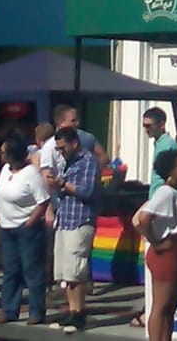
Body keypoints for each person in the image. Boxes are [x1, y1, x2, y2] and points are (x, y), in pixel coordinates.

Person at [135, 150, 177, 341]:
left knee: (170, 306)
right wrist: (157, 243)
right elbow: (143, 219)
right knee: (161, 306)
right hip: (165, 254)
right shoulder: (165, 192)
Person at [0, 134, 49, 326]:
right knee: (10, 271)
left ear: (12, 154)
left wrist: (31, 222)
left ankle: (37, 311)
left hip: (27, 229)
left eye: (3, 152)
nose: (0, 155)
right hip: (6, 228)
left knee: (31, 270)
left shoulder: (31, 174)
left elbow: (43, 201)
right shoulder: (4, 170)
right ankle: (9, 310)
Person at [51, 127, 99, 332]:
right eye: (58, 149)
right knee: (65, 271)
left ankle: (79, 313)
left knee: (76, 269)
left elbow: (87, 191)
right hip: (65, 219)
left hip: (80, 220)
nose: (61, 152)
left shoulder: (88, 161)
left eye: (63, 148)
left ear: (74, 143)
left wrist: (63, 184)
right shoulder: (67, 162)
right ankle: (71, 311)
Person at [143, 107, 177, 197]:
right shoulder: (159, 143)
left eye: (148, 126)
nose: (146, 130)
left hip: (162, 198)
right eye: (144, 125)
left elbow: (171, 177)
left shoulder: (167, 145)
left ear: (162, 125)